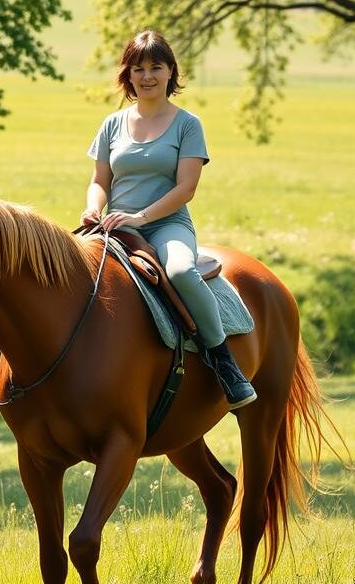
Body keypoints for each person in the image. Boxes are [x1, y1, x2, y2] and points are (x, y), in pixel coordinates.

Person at [82, 30, 256, 410]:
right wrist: (94, 208)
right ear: (127, 74)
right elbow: (99, 181)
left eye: (155, 67)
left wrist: (141, 215)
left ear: (170, 72)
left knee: (179, 271)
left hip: (166, 225)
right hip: (114, 226)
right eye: (138, 68)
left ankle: (224, 360)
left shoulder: (187, 124)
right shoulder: (111, 125)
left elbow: (186, 187)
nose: (147, 76)